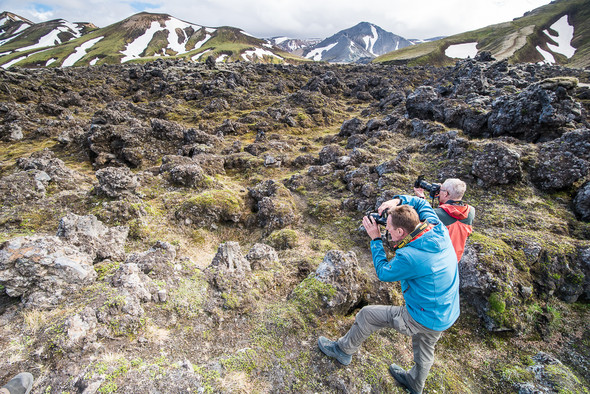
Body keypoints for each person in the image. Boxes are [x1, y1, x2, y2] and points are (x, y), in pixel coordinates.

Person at [317, 195, 460, 394]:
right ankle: (415, 384)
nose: (387, 233)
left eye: (389, 230)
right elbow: (421, 203)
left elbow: (384, 272)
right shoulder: (437, 227)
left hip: (422, 316)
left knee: (367, 315)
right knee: (425, 347)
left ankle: (342, 351)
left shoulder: (410, 257)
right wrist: (397, 201)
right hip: (447, 310)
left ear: (401, 231)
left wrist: (375, 239)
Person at [406, 178, 474, 262]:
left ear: (446, 194)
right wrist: (443, 193)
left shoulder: (436, 215)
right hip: (454, 261)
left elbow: (421, 218)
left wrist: (420, 199)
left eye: (441, 189)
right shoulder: (471, 212)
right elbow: (450, 211)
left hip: (437, 261)